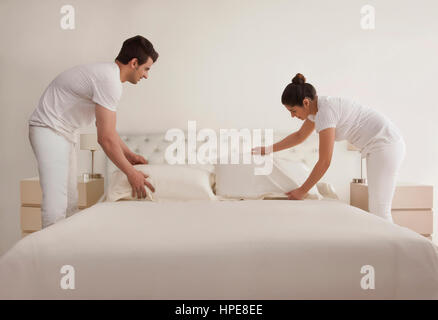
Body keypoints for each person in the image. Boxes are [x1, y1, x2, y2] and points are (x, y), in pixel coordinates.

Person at [28, 35, 157, 228]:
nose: (146, 75)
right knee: (56, 203)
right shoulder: (109, 81)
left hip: (62, 132)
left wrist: (129, 154)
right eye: (146, 69)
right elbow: (104, 138)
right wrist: (131, 173)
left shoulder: (108, 77)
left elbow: (106, 130)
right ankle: (49, 256)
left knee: (71, 201)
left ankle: (68, 252)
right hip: (48, 129)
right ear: (134, 63)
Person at [253, 73, 405, 223]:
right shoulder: (317, 111)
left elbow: (325, 161)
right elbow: (300, 136)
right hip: (379, 146)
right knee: (378, 207)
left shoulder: (325, 113)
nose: (293, 116)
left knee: (380, 209)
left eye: (293, 111)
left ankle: (395, 246)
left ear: (306, 102)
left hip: (385, 143)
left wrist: (302, 191)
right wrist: (268, 149)